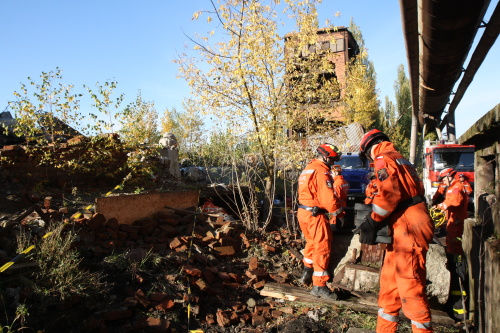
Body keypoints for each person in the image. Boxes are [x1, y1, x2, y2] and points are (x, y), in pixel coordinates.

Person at [355, 129, 435, 333]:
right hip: (404, 225)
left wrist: (372, 221)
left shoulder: (382, 159)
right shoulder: (400, 158)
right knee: (390, 285)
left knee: (410, 286)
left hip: (409, 226)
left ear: (369, 149)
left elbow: (389, 195)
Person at [297, 143, 343, 299]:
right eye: (332, 159)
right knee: (322, 247)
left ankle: (306, 273)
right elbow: (328, 198)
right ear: (325, 157)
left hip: (303, 212)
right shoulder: (322, 171)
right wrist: (339, 214)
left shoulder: (308, 169)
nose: (333, 163)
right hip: (315, 215)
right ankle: (319, 285)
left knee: (310, 243)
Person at [432, 168, 469, 320]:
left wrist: (440, 206)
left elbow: (454, 200)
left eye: (443, 180)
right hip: (454, 228)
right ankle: (455, 305)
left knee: (458, 268)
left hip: (457, 231)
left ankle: (460, 309)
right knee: (454, 266)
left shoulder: (456, 187)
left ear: (448, 176)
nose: (442, 183)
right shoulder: (453, 185)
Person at [331, 165, 349, 229]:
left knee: (337, 221)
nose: (331, 174)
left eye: (332, 173)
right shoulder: (344, 181)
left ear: (336, 173)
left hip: (339, 204)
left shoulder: (336, 183)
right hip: (344, 202)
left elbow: (337, 196)